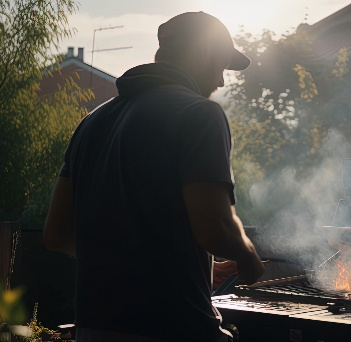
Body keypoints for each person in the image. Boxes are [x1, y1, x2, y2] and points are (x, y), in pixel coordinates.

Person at [43, 12, 265, 342]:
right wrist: (248, 257)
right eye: (220, 66)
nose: (221, 81)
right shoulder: (199, 114)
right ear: (203, 55)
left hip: (95, 330)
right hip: (174, 328)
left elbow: (56, 233)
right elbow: (214, 226)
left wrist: (191, 268)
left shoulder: (92, 123)